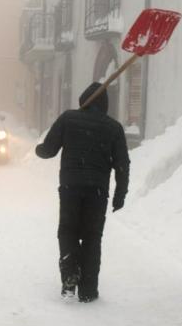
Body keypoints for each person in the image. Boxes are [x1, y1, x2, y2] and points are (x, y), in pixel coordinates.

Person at [35, 82, 130, 303]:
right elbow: (122, 164)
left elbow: (48, 150)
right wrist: (120, 194)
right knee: (92, 237)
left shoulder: (68, 118)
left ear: (84, 99)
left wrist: (38, 150)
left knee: (67, 231)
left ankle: (69, 275)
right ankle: (88, 290)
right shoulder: (113, 127)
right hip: (97, 191)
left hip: (70, 187)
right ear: (105, 104)